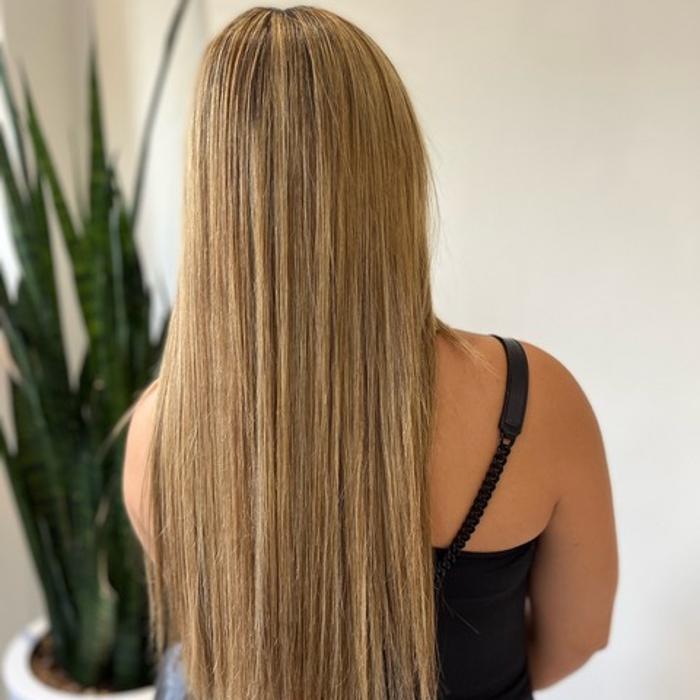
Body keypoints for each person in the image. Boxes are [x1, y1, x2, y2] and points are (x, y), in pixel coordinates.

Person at [121, 6, 618, 699]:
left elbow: (211, 642)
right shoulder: (533, 403)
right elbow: (578, 638)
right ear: (394, 172)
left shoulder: (158, 434)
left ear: (212, 197)